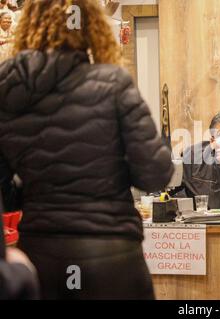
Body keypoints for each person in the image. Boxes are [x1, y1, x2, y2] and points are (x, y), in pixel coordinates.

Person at [0, 0, 174, 300]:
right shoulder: (112, 83)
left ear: (30, 23)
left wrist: (34, 188)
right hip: (112, 255)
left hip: (40, 256)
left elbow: (4, 187)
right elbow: (156, 175)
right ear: (91, 25)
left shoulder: (8, 88)